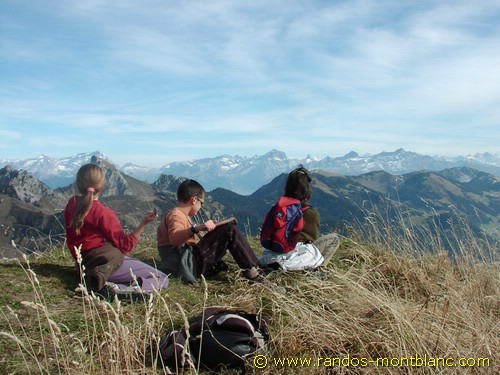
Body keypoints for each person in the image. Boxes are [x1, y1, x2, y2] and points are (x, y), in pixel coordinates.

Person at [64, 163, 168, 297]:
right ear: (103, 185)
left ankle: (108, 284)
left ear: (78, 184)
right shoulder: (104, 213)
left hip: (83, 264)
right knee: (162, 278)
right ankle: (118, 289)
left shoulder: (72, 203)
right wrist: (143, 224)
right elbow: (126, 246)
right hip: (104, 264)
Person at [157, 179, 262, 283]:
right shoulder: (176, 215)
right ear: (194, 200)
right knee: (229, 230)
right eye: (201, 203)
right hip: (186, 264)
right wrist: (196, 228)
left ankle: (255, 267)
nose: (201, 207)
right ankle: (254, 272)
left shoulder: (181, 215)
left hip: (187, 261)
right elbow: (174, 238)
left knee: (225, 229)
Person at [259, 166, 324, 271]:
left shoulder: (278, 208)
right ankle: (314, 269)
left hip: (271, 253)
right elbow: (313, 238)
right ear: (307, 189)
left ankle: (277, 265)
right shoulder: (310, 212)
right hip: (296, 254)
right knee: (333, 239)